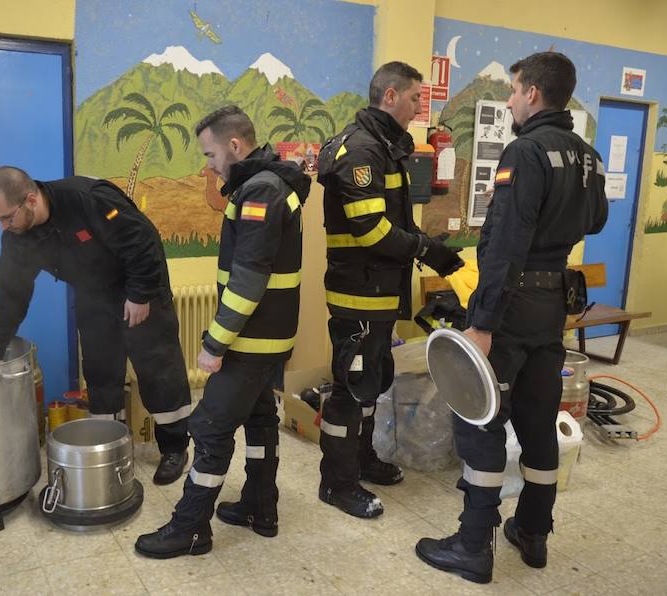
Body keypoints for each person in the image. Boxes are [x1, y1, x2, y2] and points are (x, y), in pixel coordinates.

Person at [415, 52, 608, 584]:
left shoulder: (524, 152)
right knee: (538, 420)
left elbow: (502, 245)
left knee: (479, 422)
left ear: (534, 95)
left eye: (515, 90)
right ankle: (533, 532)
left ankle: (473, 546)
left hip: (512, 306)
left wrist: (481, 323)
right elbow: (596, 217)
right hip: (552, 309)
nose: (509, 99)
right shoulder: (588, 157)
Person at [135, 105, 310, 558]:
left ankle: (190, 527)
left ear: (235, 145)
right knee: (259, 418)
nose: (209, 165)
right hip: (270, 335)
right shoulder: (270, 184)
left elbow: (249, 278)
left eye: (211, 154)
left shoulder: (260, 193)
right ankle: (260, 506)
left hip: (251, 339)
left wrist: (215, 343)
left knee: (210, 427)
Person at [316, 61, 464, 518]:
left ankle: (360, 460)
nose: (421, 106)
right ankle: (337, 484)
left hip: (379, 292)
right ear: (390, 96)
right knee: (350, 388)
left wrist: (424, 245)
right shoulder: (361, 150)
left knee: (372, 382)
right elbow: (372, 232)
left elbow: (393, 223)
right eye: (416, 97)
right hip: (357, 295)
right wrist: (425, 249)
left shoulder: (385, 145)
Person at [0, 167, 192, 485]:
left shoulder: (87, 200)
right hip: (94, 294)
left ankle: (175, 448)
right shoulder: (17, 237)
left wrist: (140, 295)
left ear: (31, 200)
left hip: (139, 286)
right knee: (100, 371)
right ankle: (109, 446)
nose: (3, 227)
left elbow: (142, 242)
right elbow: (10, 294)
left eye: (7, 217)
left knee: (157, 366)